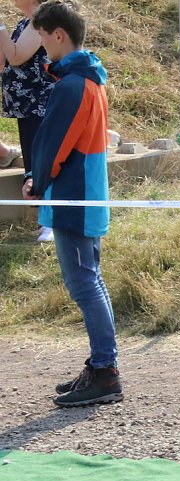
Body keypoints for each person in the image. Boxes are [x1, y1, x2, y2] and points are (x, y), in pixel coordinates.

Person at [23, 0, 122, 407]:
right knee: (90, 280)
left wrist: (37, 180)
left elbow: (55, 142)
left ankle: (105, 371)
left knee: (84, 283)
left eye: (43, 37)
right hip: (83, 192)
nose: (42, 45)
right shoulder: (87, 78)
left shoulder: (72, 85)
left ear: (59, 34)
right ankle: (102, 366)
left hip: (74, 196)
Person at [1, 0, 56, 241]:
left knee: (43, 162)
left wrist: (0, 26)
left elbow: (15, 57)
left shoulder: (39, 22)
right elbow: (4, 62)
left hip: (40, 104)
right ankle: (45, 221)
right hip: (26, 107)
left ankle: (51, 224)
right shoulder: (24, 23)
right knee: (33, 163)